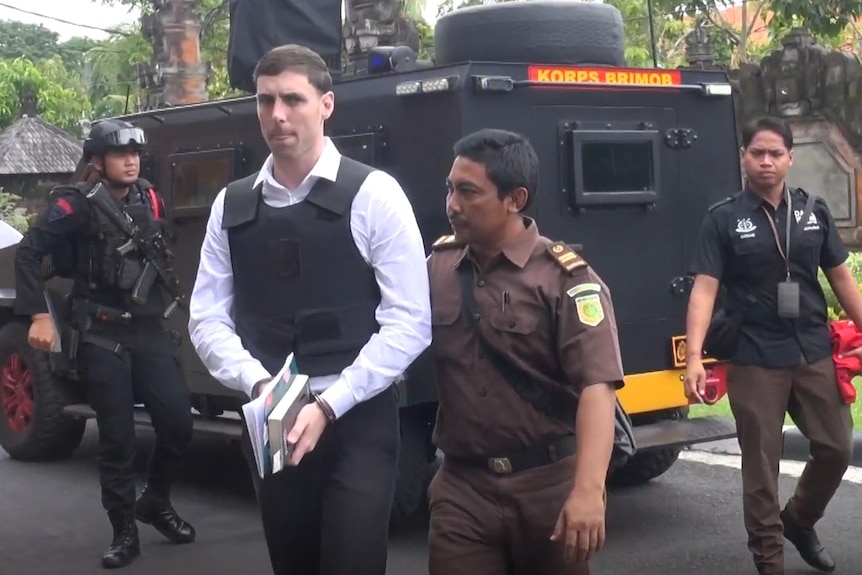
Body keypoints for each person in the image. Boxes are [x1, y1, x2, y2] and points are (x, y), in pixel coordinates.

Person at [187, 43, 432, 575]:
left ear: (326, 104)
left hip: (357, 418)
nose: (277, 115)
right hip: (272, 415)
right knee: (292, 562)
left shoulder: (374, 195)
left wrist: (327, 406)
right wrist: (261, 385)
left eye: (293, 99)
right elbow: (206, 319)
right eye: (265, 100)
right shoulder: (231, 205)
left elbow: (411, 322)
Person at [425, 128, 623, 575]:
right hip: (463, 489)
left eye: (468, 192)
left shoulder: (565, 279)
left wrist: (588, 490)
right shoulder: (436, 267)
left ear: (515, 199)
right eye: (450, 189)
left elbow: (597, 387)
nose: (452, 204)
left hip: (548, 486)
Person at [13, 119, 196, 569]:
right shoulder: (75, 204)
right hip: (101, 332)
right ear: (97, 161)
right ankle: (124, 531)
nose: (131, 161)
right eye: (120, 154)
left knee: (178, 423)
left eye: (135, 153)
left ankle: (155, 500)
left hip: (148, 329)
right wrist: (39, 315)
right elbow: (30, 252)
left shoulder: (148, 197)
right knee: (117, 439)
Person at [685, 115, 860, 575]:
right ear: (743, 157)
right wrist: (695, 358)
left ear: (790, 159)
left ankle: (799, 521)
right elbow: (704, 290)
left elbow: (841, 278)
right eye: (758, 153)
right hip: (755, 354)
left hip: (810, 349)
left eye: (775, 153)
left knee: (837, 446)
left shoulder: (812, 211)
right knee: (761, 467)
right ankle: (770, 560)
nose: (767, 161)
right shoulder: (724, 218)